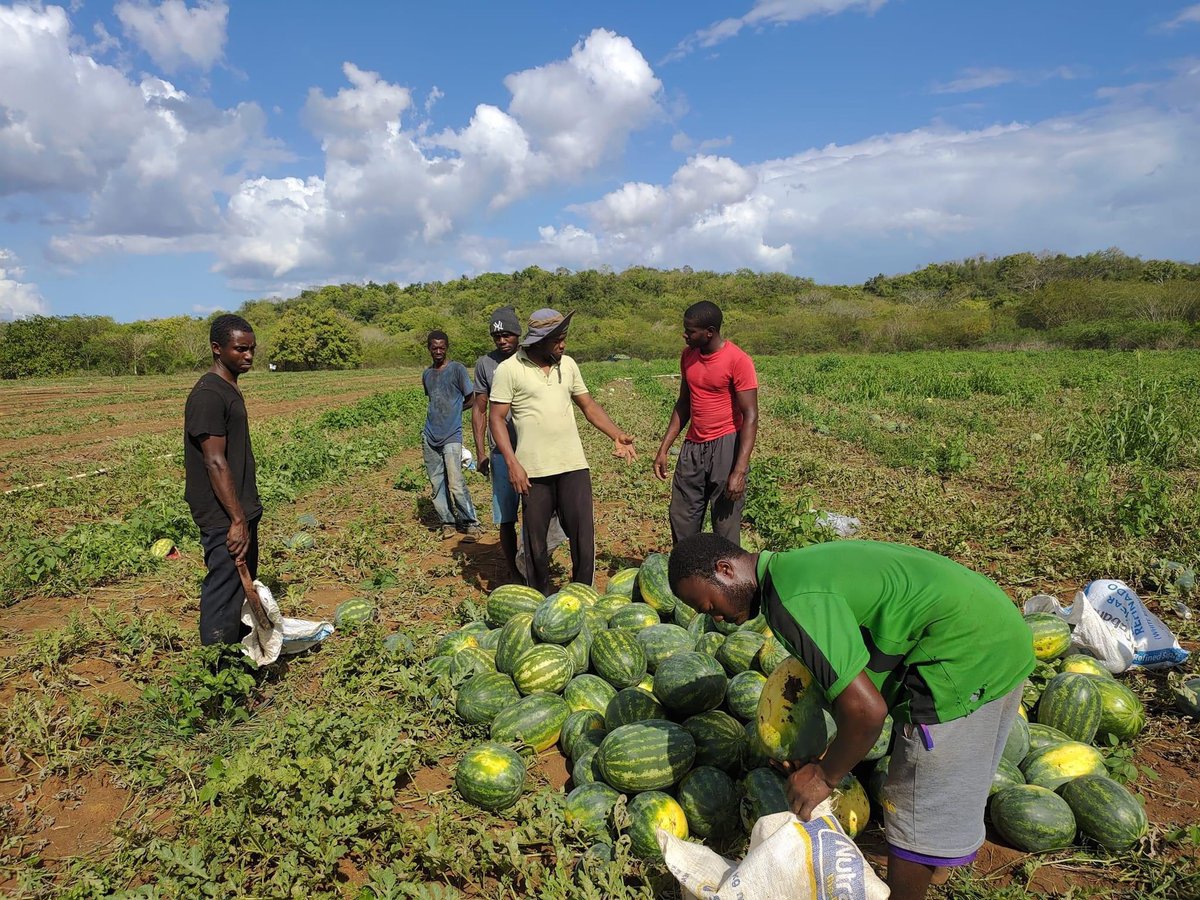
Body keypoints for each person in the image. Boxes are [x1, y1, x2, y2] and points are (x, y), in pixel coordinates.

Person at [667, 534, 1035, 900]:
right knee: (951, 781)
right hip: (998, 635)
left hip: (963, 656)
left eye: (708, 605)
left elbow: (866, 710)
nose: (716, 617)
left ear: (725, 570)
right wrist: (817, 746)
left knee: (912, 800)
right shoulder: (793, 569)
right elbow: (845, 673)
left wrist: (824, 776)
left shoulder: (791, 600)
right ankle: (935, 862)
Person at [488, 309, 636, 594]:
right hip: (534, 470)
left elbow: (588, 405)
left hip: (573, 465)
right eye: (559, 340)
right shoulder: (510, 369)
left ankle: (583, 593)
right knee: (535, 542)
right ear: (541, 339)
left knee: (583, 536)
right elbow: (496, 418)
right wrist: (512, 463)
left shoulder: (567, 365)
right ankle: (539, 597)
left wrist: (616, 434)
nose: (563, 345)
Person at [183, 314, 262, 646]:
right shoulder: (208, 395)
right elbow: (214, 462)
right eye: (240, 349)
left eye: (252, 349)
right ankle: (217, 674)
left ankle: (243, 664)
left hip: (239, 510)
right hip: (223, 516)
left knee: (241, 590)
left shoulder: (228, 387)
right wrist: (236, 519)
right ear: (217, 348)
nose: (248, 356)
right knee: (223, 594)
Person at [654, 300, 757, 546]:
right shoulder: (688, 356)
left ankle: (728, 581)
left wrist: (739, 471)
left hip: (726, 445)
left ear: (709, 332)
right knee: (682, 517)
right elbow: (684, 403)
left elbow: (751, 415)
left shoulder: (738, 360)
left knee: (725, 526)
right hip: (693, 446)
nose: (685, 335)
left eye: (691, 331)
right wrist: (664, 448)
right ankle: (688, 577)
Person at [471, 306, 523, 578]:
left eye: (507, 335)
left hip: (530, 448)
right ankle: (514, 571)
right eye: (497, 337)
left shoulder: (530, 358)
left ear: (518, 334)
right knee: (506, 516)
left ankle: (533, 564)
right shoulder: (485, 365)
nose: (502, 341)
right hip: (501, 452)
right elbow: (479, 409)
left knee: (535, 513)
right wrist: (480, 451)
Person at [422, 330, 483, 542]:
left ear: (447, 347)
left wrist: (456, 410)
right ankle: (447, 522)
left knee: (456, 482)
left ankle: (471, 522)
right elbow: (432, 400)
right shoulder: (427, 374)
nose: (438, 351)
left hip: (452, 435)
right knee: (437, 483)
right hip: (430, 435)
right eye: (434, 347)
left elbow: (473, 398)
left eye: (442, 347)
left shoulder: (457, 369)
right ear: (429, 348)